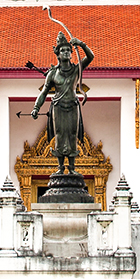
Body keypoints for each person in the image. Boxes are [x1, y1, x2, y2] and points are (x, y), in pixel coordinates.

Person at [29, 31, 93, 174]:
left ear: (71, 53)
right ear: (57, 54)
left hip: (72, 105)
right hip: (58, 106)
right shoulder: (52, 73)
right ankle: (60, 168)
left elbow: (91, 57)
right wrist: (36, 108)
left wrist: (81, 44)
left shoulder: (77, 69)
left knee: (72, 134)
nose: (65, 52)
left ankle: (71, 168)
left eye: (68, 50)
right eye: (62, 50)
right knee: (59, 134)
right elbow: (44, 92)